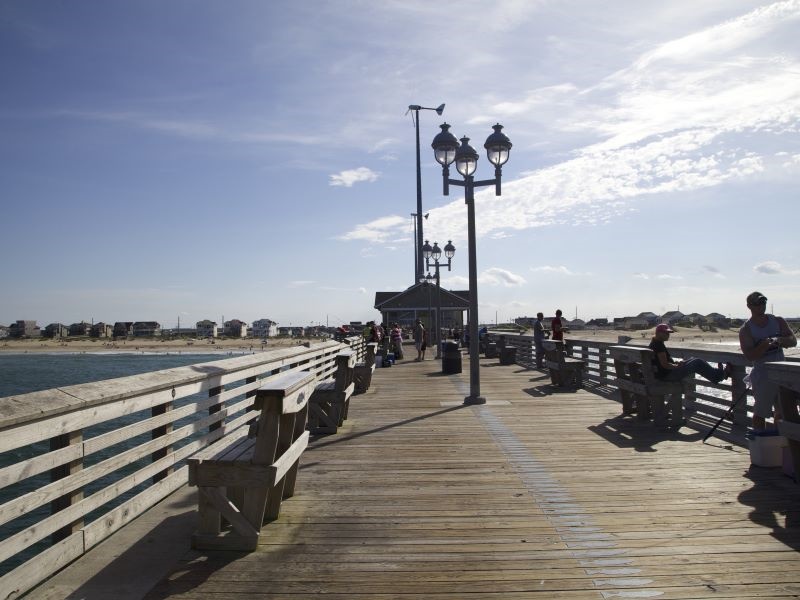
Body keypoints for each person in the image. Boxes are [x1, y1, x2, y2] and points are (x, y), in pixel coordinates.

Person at [739, 291, 797, 430]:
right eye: (757, 303)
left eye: (763, 302)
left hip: (782, 375)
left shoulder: (778, 321)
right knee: (760, 413)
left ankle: (779, 443)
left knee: (783, 412)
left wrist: (779, 340)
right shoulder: (746, 329)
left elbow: (793, 341)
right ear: (749, 306)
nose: (761, 306)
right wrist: (764, 345)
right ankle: (760, 441)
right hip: (762, 375)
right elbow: (750, 356)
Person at [649, 323, 731, 384]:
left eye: (668, 333)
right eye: (666, 333)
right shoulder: (658, 345)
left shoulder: (654, 343)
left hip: (660, 374)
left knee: (693, 359)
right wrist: (676, 366)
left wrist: (676, 364)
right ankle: (720, 376)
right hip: (667, 376)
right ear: (659, 333)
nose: (668, 335)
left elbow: (661, 363)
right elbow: (665, 365)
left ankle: (716, 373)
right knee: (697, 363)